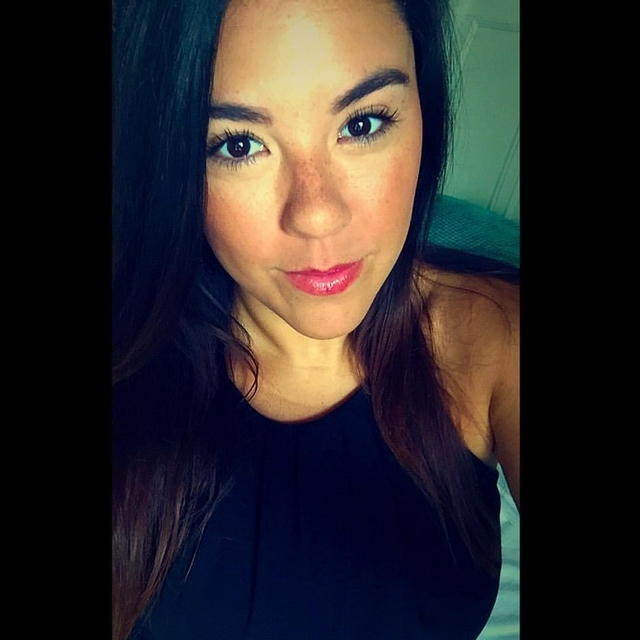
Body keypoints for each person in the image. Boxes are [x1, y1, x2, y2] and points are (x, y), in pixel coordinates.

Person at [112, 0, 520, 639]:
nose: (317, 214)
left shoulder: (494, 334)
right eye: (239, 144)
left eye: (362, 123)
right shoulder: (130, 362)